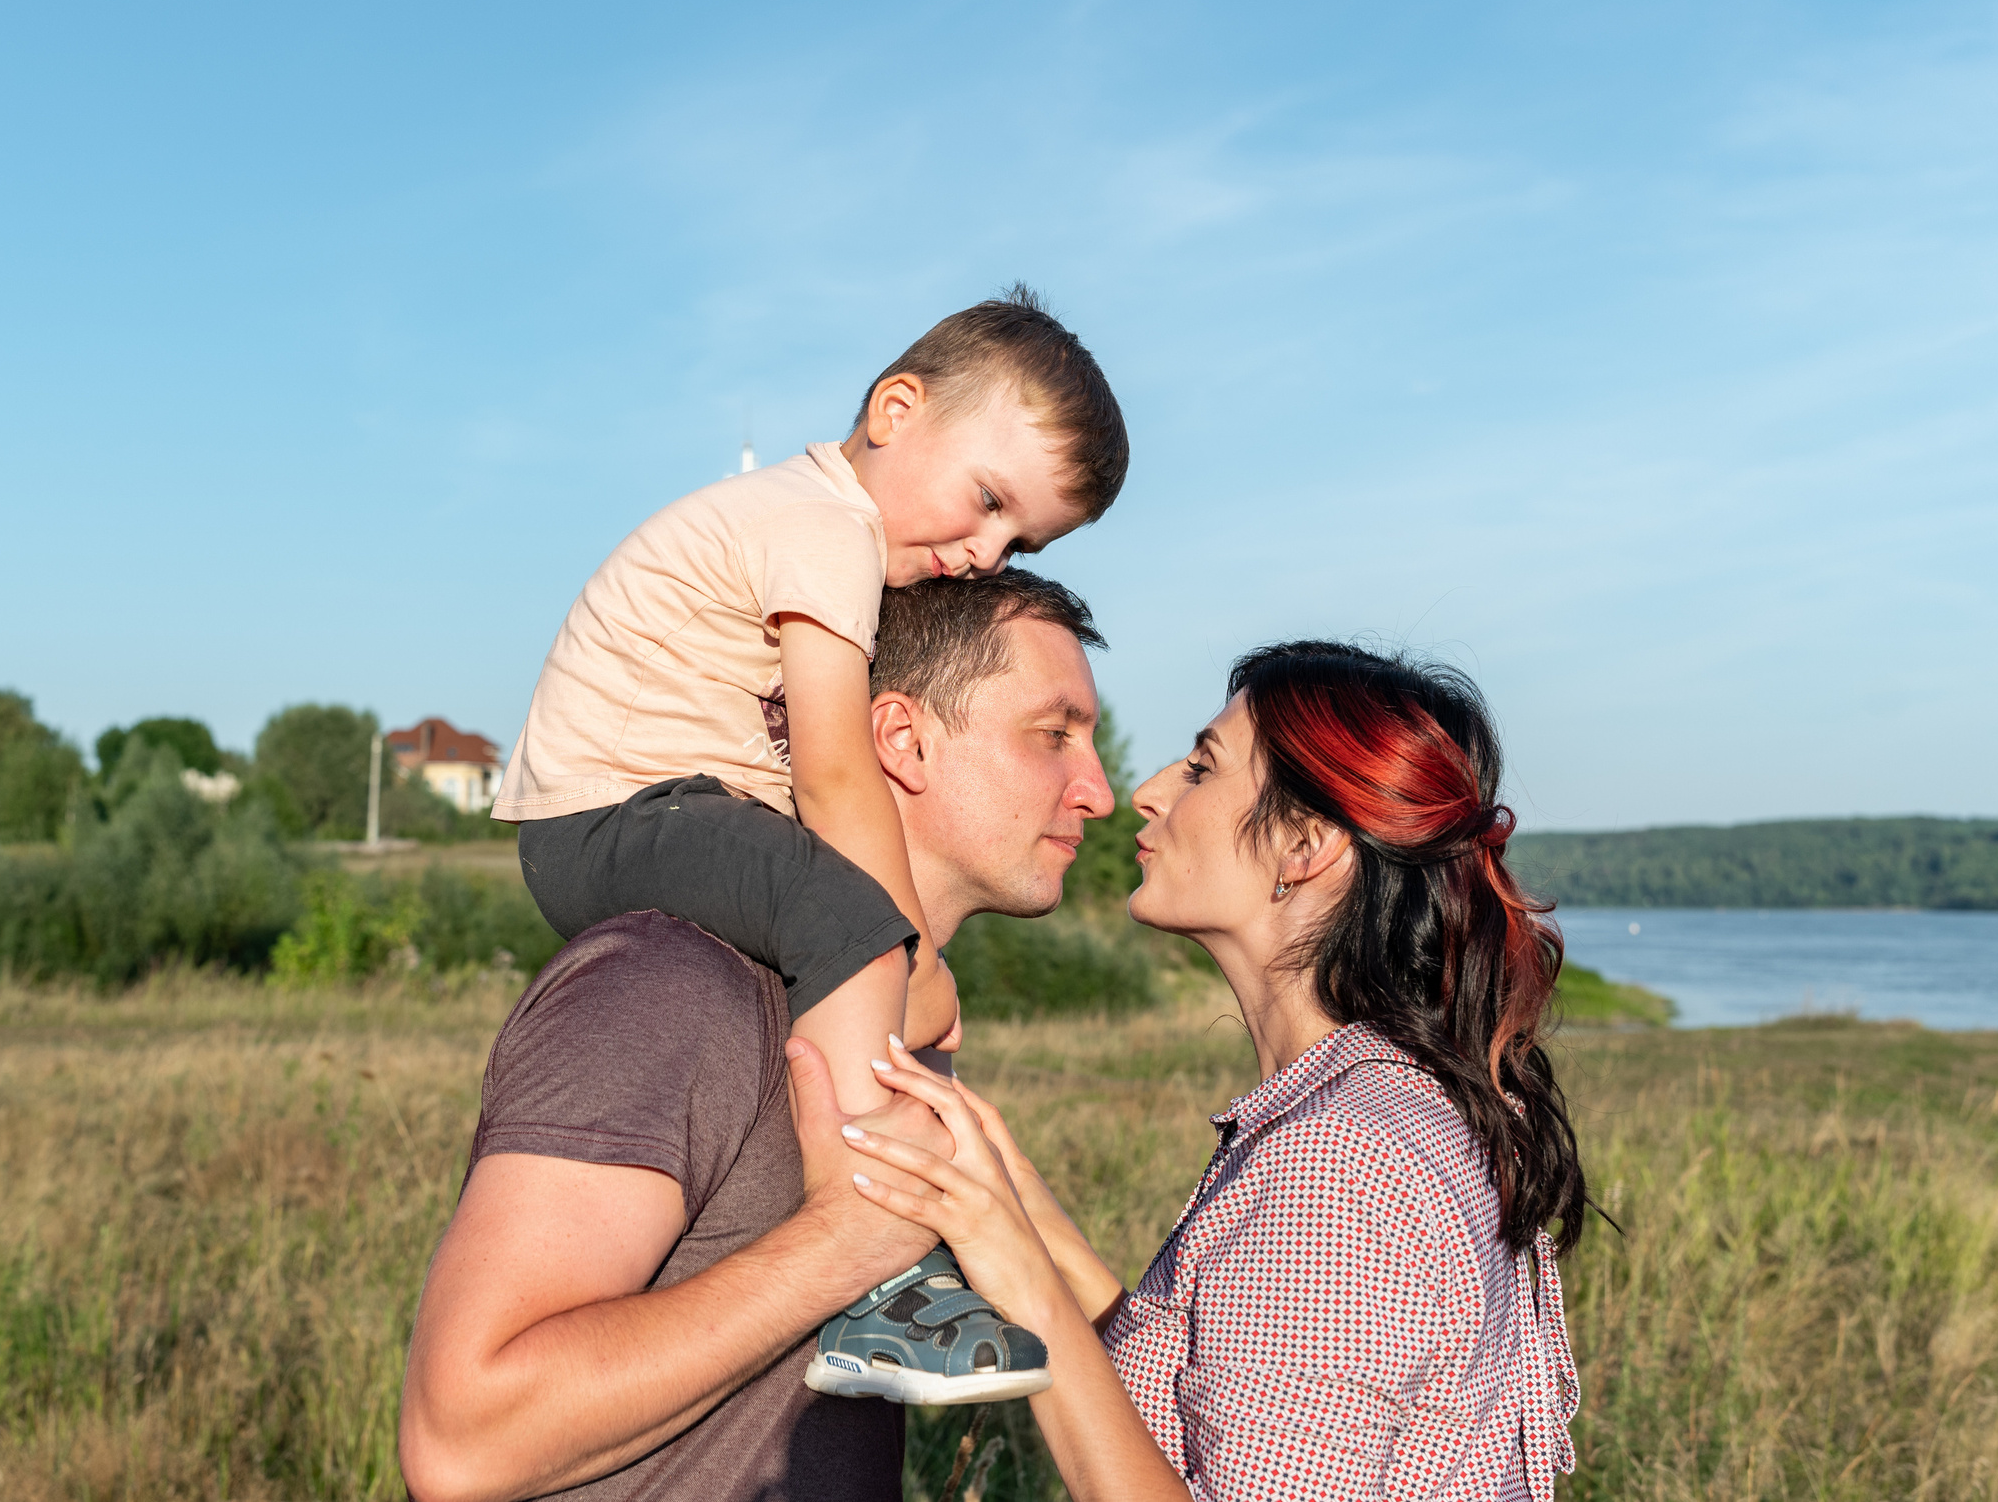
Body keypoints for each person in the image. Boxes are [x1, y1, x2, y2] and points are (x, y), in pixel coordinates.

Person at [491, 287, 1128, 1399]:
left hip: (635, 808)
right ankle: (875, 1271)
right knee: (852, 923)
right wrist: (906, 957)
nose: (985, 551)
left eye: (1018, 538)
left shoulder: (812, 526)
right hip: (615, 810)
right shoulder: (826, 529)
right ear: (894, 410)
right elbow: (836, 772)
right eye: (987, 500)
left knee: (843, 928)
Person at [401, 572, 1120, 1502]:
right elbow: (463, 1440)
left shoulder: (894, 1023)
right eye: (1054, 734)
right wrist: (846, 1241)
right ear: (901, 738)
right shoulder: (675, 982)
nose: (1098, 791)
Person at [836, 641, 1586, 1501]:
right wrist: (1020, 1206)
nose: (1147, 792)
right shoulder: (1382, 1104)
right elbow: (1196, 1393)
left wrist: (1024, 1281)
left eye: (1201, 768)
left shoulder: (1340, 1167)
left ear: (1303, 845)